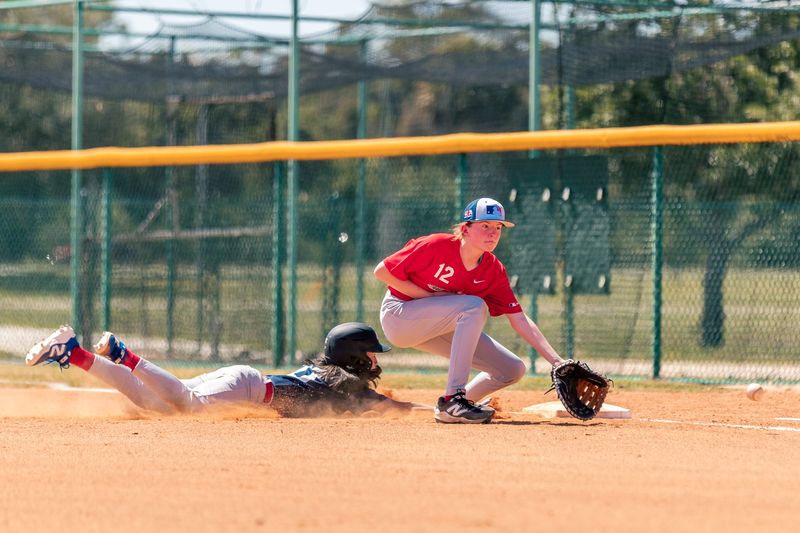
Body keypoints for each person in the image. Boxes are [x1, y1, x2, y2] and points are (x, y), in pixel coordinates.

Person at [374, 197, 565, 424]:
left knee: (512, 369)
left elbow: (519, 319)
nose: (493, 233)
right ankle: (453, 399)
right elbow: (382, 271)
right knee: (473, 306)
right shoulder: (436, 245)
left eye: (498, 227)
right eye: (485, 225)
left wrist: (557, 362)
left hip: (438, 326)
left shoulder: (493, 269)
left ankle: (455, 405)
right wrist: (430, 297)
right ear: (465, 229)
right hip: (399, 315)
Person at [25, 322, 426, 417]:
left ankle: (74, 353)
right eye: (371, 353)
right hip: (248, 388)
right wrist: (436, 411)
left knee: (155, 404)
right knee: (184, 405)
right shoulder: (346, 382)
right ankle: (124, 355)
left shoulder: (335, 376)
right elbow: (392, 409)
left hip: (245, 379)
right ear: (354, 356)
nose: (375, 360)